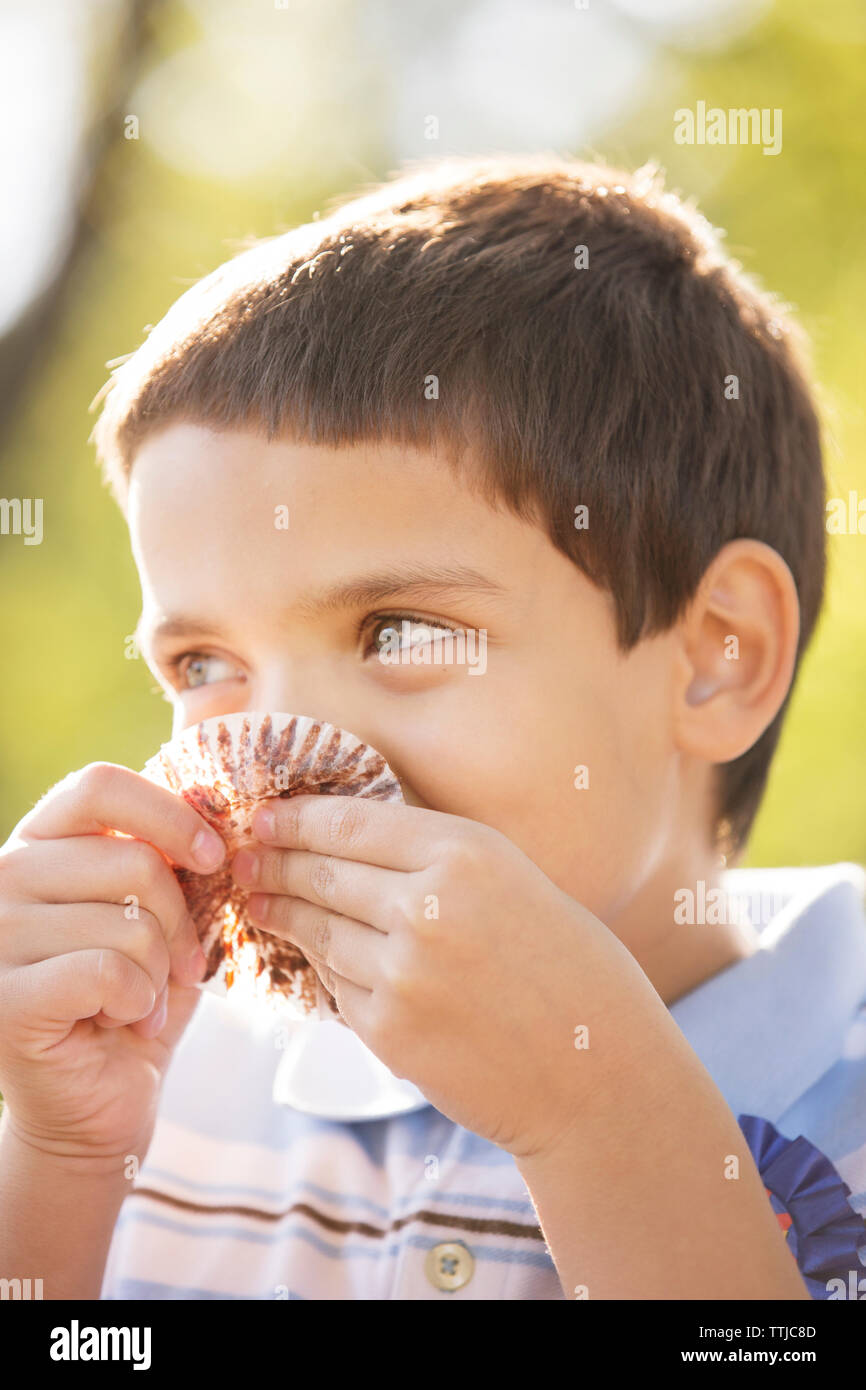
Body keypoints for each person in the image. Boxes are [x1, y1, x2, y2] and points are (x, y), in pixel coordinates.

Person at [1, 154, 864, 1300]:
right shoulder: (170, 1093)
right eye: (205, 663)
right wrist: (59, 1155)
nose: (278, 755)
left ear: (717, 654)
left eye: (399, 630)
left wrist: (597, 1112)